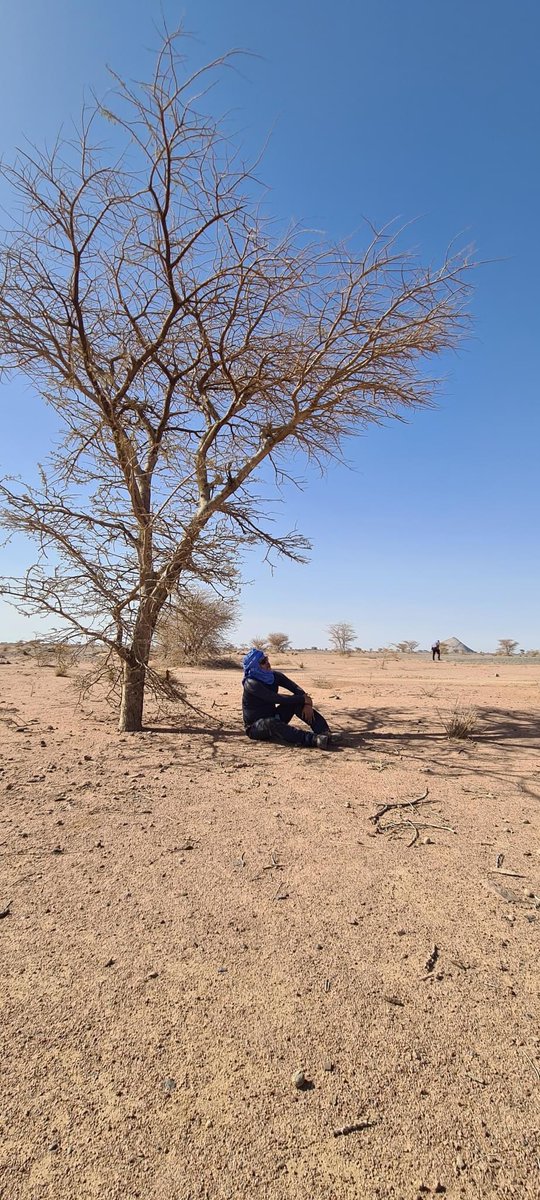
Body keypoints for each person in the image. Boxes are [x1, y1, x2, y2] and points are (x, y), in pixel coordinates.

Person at [241, 648, 338, 749]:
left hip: (274, 717)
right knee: (271, 722)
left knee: (294, 703)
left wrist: (306, 703)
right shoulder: (251, 683)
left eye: (266, 659)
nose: (267, 663)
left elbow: (296, 688)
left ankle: (325, 732)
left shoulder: (274, 676)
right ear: (254, 667)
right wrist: (302, 699)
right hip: (256, 728)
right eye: (263, 662)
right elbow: (274, 698)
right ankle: (314, 739)